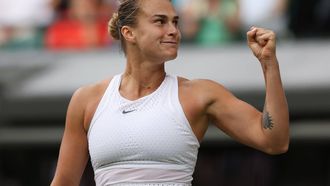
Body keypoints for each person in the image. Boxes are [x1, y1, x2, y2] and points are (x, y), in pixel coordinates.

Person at [50, 0, 289, 185]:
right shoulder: (86, 100)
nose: (173, 30)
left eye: (175, 22)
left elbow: (274, 141)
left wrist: (269, 65)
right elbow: (63, 183)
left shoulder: (201, 94)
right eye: (160, 21)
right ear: (128, 33)